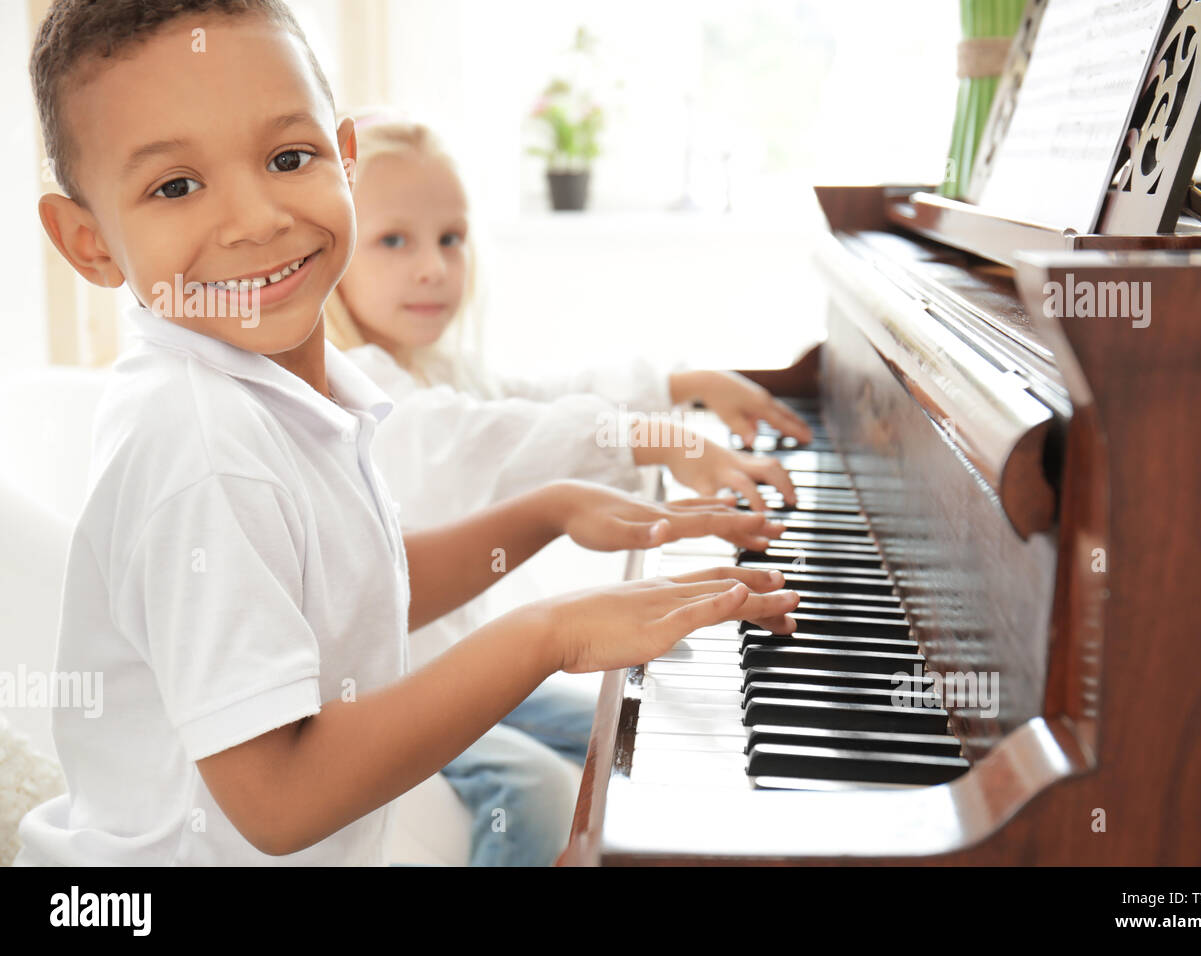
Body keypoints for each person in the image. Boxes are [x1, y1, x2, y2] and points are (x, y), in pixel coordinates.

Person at [15, 0, 798, 866]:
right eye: (176, 186)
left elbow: (354, 594)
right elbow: (278, 801)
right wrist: (549, 633)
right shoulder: (199, 446)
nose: (257, 219)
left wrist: (547, 511)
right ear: (88, 242)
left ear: (344, 159)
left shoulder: (283, 392)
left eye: (288, 157)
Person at [322, 115, 814, 864]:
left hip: (459, 671)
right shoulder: (356, 383)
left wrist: (679, 387)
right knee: (532, 789)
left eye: (451, 239)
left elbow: (539, 397)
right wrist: (654, 437)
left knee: (614, 726)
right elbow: (478, 440)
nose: (433, 267)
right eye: (395, 240)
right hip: (387, 699)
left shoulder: (437, 366)